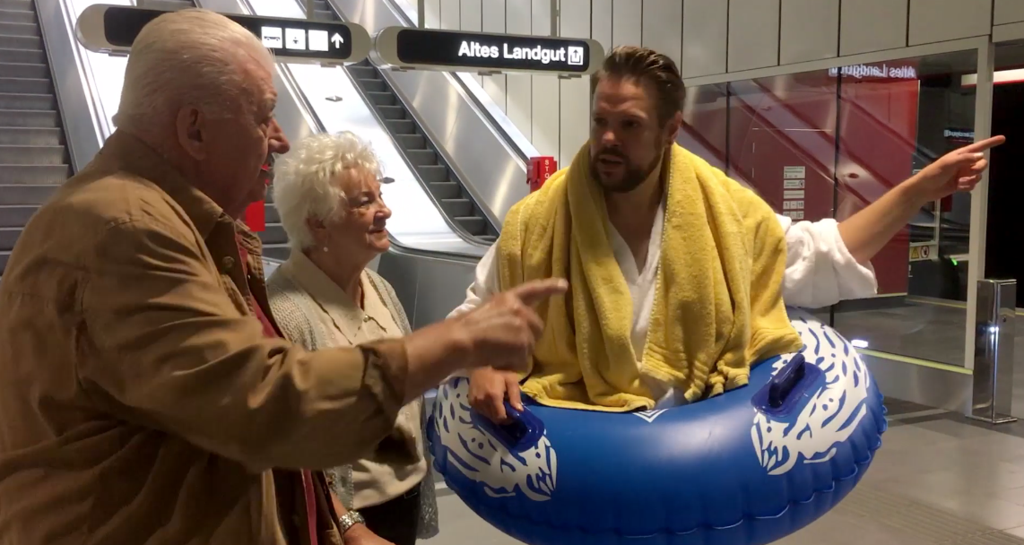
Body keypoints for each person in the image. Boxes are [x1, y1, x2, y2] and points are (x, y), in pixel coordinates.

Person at [0, 9, 566, 545]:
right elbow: (265, 403)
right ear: (194, 129)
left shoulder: (178, 228)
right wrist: (458, 341)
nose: (280, 138)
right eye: (262, 115)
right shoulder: (125, 232)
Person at [458, 45, 1003, 423]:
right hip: (581, 451)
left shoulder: (723, 214)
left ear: (671, 130)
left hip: (699, 449)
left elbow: (822, 254)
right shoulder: (537, 223)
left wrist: (916, 190)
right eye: (601, 121)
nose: (607, 140)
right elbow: (472, 317)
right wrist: (482, 361)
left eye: (630, 125)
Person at [266, 132, 436, 545]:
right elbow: (284, 450)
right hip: (347, 522)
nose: (385, 210)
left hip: (403, 502)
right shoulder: (283, 311)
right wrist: (348, 526)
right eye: (365, 202)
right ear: (318, 222)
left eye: (380, 196)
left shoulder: (379, 288)